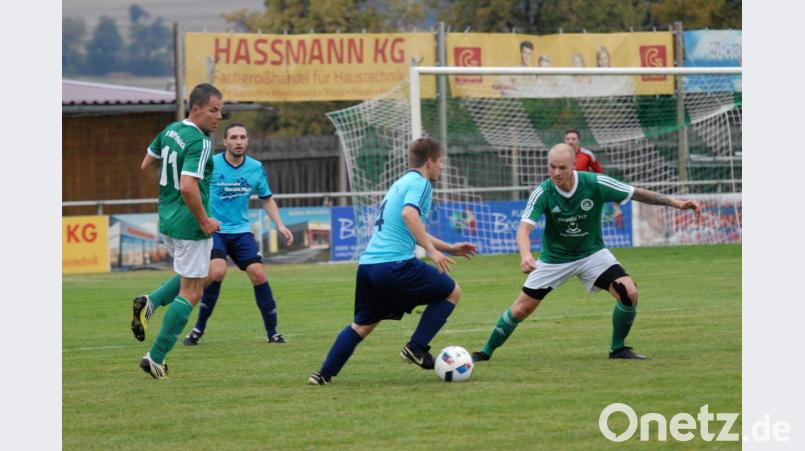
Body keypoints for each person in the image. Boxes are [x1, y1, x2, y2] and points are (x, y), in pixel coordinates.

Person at [471, 144, 701, 362]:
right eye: (552, 167)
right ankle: (485, 352)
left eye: (562, 167)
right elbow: (524, 229)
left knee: (628, 292)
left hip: (592, 254)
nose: (556, 172)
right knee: (521, 309)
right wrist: (525, 254)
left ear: (574, 166)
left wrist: (677, 203)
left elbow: (636, 193)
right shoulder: (543, 192)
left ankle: (618, 348)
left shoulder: (595, 183)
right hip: (555, 259)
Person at [308, 137, 478, 385]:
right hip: (395, 265)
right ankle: (416, 348)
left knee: (361, 326)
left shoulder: (400, 183)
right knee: (452, 292)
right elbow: (409, 215)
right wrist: (432, 251)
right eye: (441, 162)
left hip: (368, 267)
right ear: (430, 162)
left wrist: (449, 248)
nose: (442, 167)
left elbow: (411, 226)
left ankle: (323, 374)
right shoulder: (421, 184)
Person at [130, 83, 223, 379]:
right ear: (195, 109)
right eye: (213, 110)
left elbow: (146, 165)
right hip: (189, 225)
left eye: (220, 110)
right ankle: (155, 358)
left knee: (205, 273)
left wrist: (167, 187)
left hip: (168, 220)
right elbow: (187, 185)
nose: (218, 116)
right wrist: (205, 221)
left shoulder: (170, 131)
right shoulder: (200, 141)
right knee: (192, 291)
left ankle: (151, 301)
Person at [182, 123, 294, 347]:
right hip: (216, 230)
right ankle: (198, 329)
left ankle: (273, 333)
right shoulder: (210, 163)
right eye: (233, 137)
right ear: (225, 141)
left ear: (247, 141)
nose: (238, 141)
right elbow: (190, 186)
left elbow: (266, 198)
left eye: (242, 137)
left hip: (242, 231)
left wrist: (280, 225)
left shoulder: (255, 167)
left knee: (258, 274)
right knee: (218, 271)